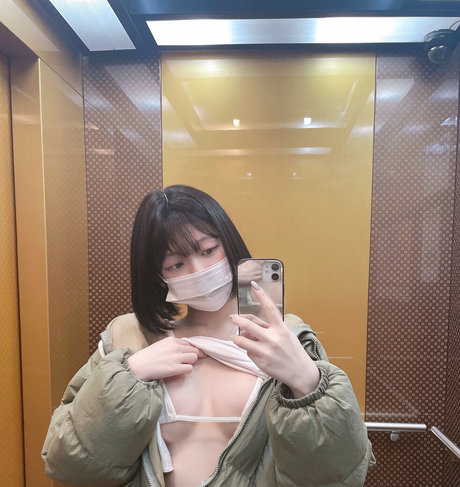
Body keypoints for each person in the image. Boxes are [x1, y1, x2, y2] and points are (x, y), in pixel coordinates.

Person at [42, 184, 375, 487]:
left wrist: (307, 383)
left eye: (208, 250)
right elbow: (68, 461)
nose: (199, 271)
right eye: (176, 264)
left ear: (228, 244)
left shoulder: (286, 340)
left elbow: (340, 475)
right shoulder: (130, 339)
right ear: (158, 276)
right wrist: (131, 376)